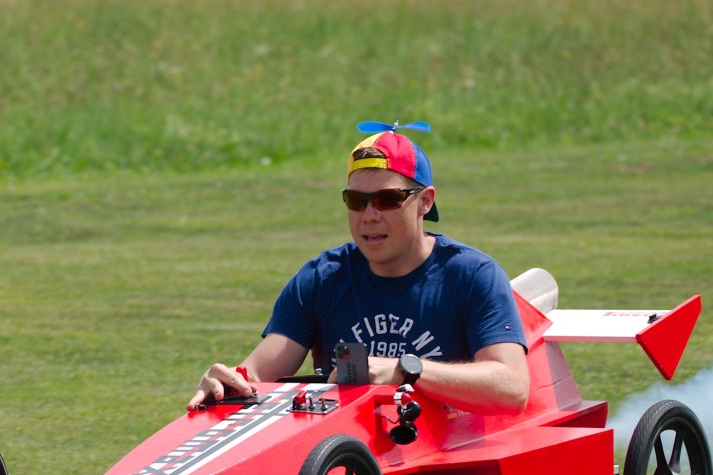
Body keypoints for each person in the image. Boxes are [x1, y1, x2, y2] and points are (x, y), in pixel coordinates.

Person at [188, 122, 529, 415]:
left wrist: (404, 371)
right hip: (345, 460)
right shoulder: (321, 278)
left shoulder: (473, 275)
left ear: (425, 201)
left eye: (387, 200)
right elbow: (258, 375)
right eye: (356, 201)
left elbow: (513, 389)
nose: (369, 216)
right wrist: (228, 382)